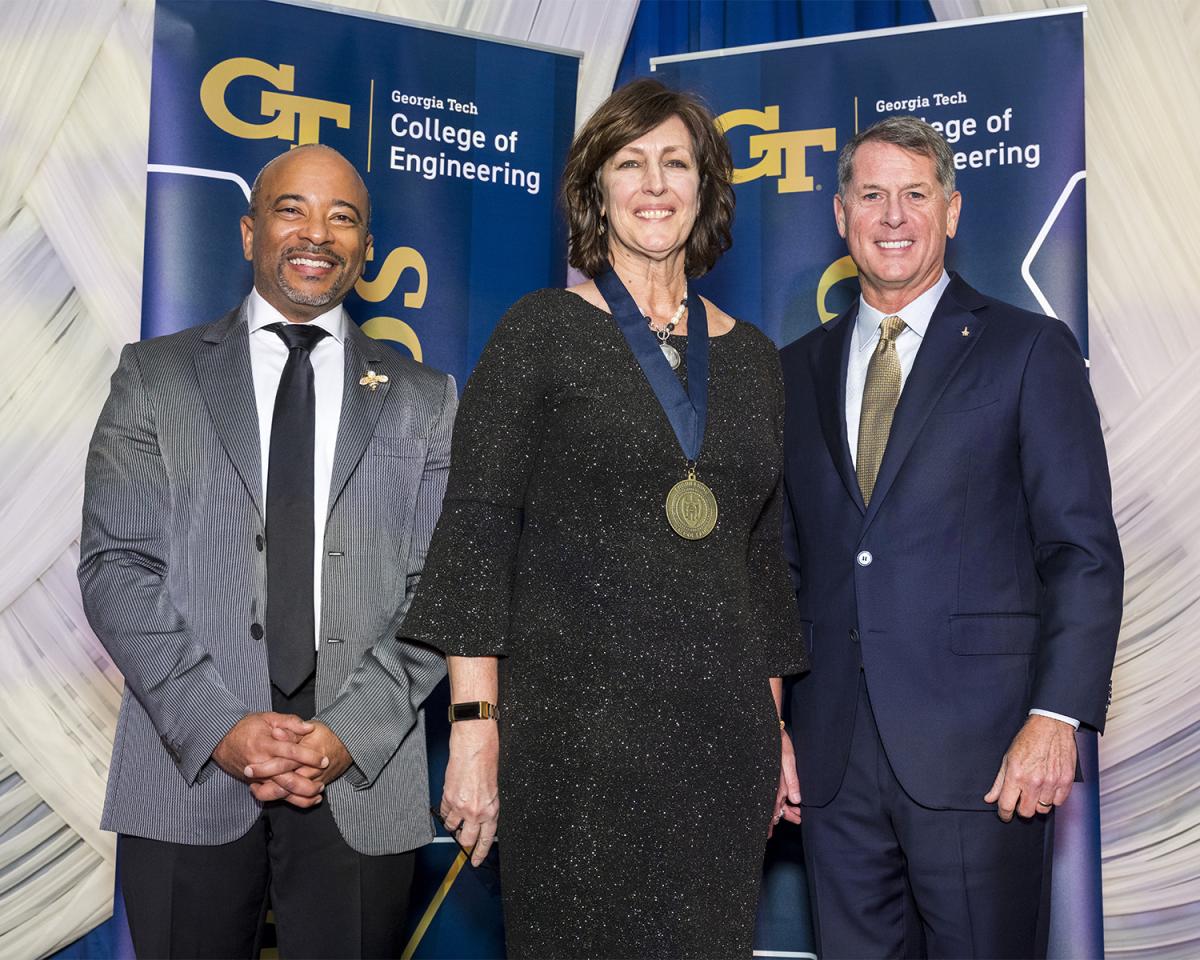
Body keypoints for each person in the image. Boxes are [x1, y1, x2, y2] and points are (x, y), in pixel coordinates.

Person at [399, 77, 808, 958]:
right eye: (630, 163)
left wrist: (773, 732)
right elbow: (476, 536)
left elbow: (761, 566)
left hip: (721, 749)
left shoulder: (754, 360)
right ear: (595, 190)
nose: (655, 183)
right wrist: (475, 732)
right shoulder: (539, 331)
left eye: (675, 162)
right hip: (575, 745)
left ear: (706, 188)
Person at [78, 144, 455, 958]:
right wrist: (221, 726)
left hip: (361, 768)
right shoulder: (156, 376)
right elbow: (116, 567)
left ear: (366, 250)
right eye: (292, 209)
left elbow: (441, 587)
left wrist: (348, 731)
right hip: (189, 769)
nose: (316, 233)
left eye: (343, 217)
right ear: (250, 232)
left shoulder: (424, 397)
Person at [778, 115, 1123, 959]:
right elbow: (779, 564)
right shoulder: (792, 371)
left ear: (953, 210)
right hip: (831, 765)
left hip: (987, 757)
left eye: (915, 194)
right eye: (871, 195)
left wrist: (1056, 718)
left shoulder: (1029, 349)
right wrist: (771, 728)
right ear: (839, 215)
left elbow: (1080, 553)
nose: (893, 215)